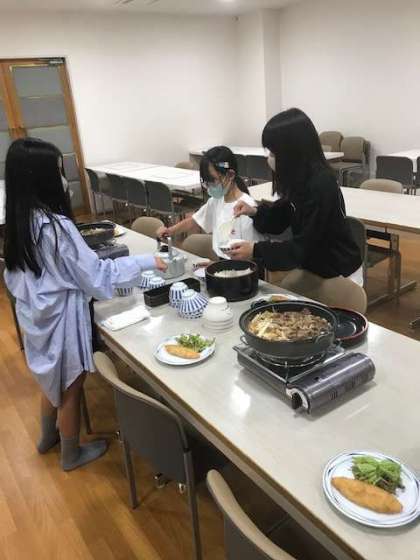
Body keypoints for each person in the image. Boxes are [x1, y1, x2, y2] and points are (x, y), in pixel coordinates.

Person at [3, 138, 166, 471]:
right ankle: (70, 453)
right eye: (58, 171)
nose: (63, 179)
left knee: (50, 380)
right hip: (60, 317)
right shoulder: (56, 227)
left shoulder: (19, 222)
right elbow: (97, 275)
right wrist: (146, 261)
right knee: (71, 387)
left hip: (35, 314)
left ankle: (47, 437)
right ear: (42, 177)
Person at [230, 109, 363, 287]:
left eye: (273, 153)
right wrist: (254, 212)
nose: (270, 158)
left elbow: (303, 247)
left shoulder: (320, 185)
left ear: (292, 151)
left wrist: (255, 250)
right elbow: (279, 219)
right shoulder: (299, 180)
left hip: (339, 274)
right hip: (316, 267)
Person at [156, 146, 265, 258]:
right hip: (222, 261)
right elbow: (195, 220)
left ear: (230, 175)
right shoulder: (217, 200)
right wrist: (170, 231)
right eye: (206, 182)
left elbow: (250, 254)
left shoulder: (246, 208)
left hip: (240, 265)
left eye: (213, 181)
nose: (209, 187)